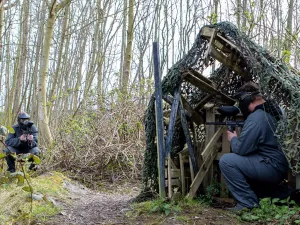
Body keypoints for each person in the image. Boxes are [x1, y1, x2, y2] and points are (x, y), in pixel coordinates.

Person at [219, 82, 290, 211]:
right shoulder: (274, 111)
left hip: (271, 166)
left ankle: (247, 204)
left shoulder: (257, 117)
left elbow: (241, 149)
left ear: (249, 100)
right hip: (279, 166)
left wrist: (233, 138)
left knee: (227, 161)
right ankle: (267, 196)